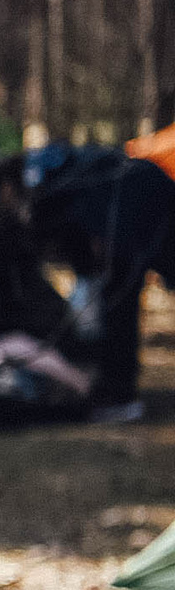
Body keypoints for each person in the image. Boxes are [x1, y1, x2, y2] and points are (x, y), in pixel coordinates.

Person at [20, 142, 175, 422]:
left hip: (144, 226)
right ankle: (116, 392)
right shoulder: (76, 180)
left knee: (118, 307)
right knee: (114, 304)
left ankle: (119, 396)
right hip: (140, 225)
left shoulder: (82, 181)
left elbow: (106, 247)